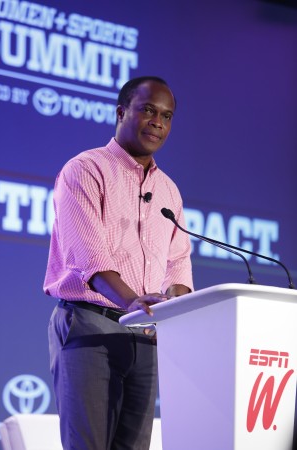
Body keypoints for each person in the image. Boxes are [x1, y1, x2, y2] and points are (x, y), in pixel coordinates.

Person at [44, 76, 194, 450]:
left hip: (146, 337)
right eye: (147, 110)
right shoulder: (85, 170)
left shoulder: (169, 191)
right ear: (121, 112)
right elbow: (90, 257)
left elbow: (177, 262)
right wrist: (133, 302)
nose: (158, 121)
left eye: (167, 115)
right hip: (89, 328)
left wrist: (179, 304)